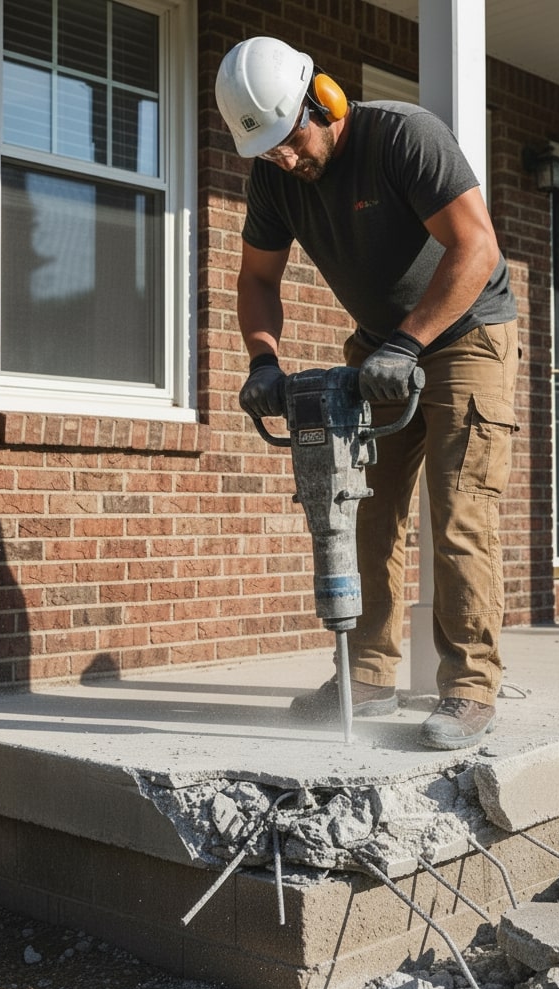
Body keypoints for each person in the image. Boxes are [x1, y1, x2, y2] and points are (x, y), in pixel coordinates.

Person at [215, 36, 519, 750]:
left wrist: (409, 343)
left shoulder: (404, 138)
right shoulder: (274, 176)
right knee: (362, 511)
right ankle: (371, 676)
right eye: (268, 153)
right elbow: (257, 279)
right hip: (381, 347)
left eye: (291, 140)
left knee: (460, 512)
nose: (285, 160)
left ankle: (470, 688)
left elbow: (476, 248)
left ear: (325, 102)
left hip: (467, 332)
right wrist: (264, 362)